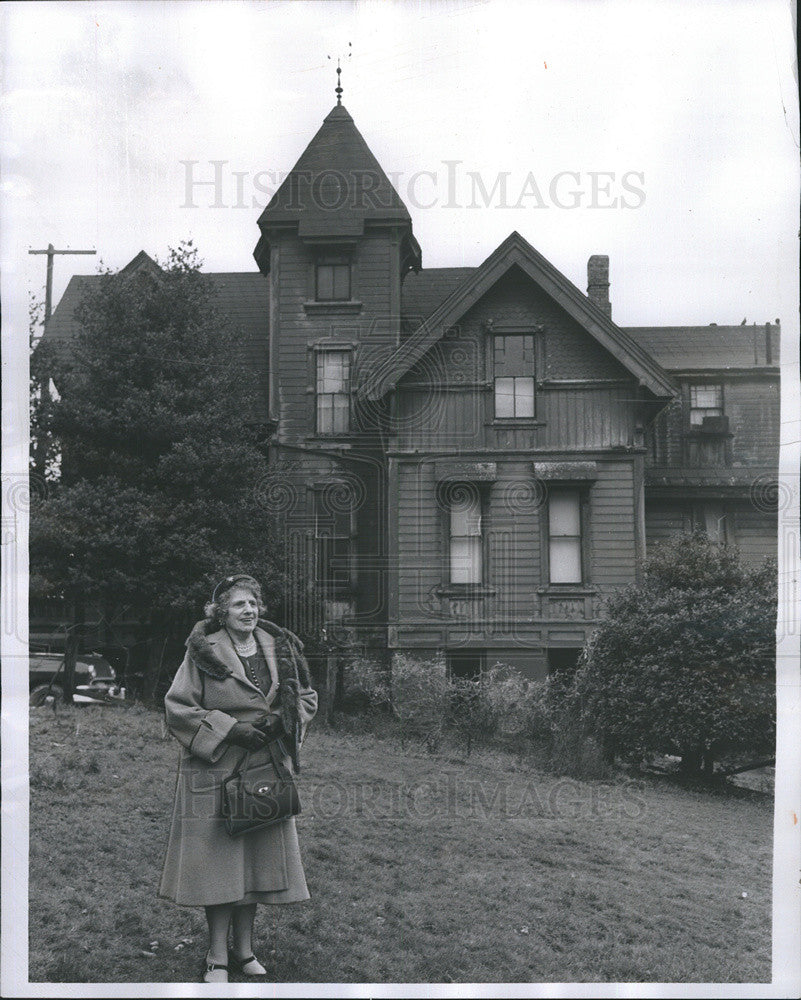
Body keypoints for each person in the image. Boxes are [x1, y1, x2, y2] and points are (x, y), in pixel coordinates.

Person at [159, 574, 317, 983]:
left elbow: (307, 696)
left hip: (265, 764)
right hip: (217, 769)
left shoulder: (278, 647)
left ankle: (245, 953)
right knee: (219, 866)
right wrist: (229, 729)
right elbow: (178, 708)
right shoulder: (203, 653)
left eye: (253, 603)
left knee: (255, 863)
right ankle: (216, 958)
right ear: (221, 613)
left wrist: (286, 717)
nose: (248, 611)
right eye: (238, 605)